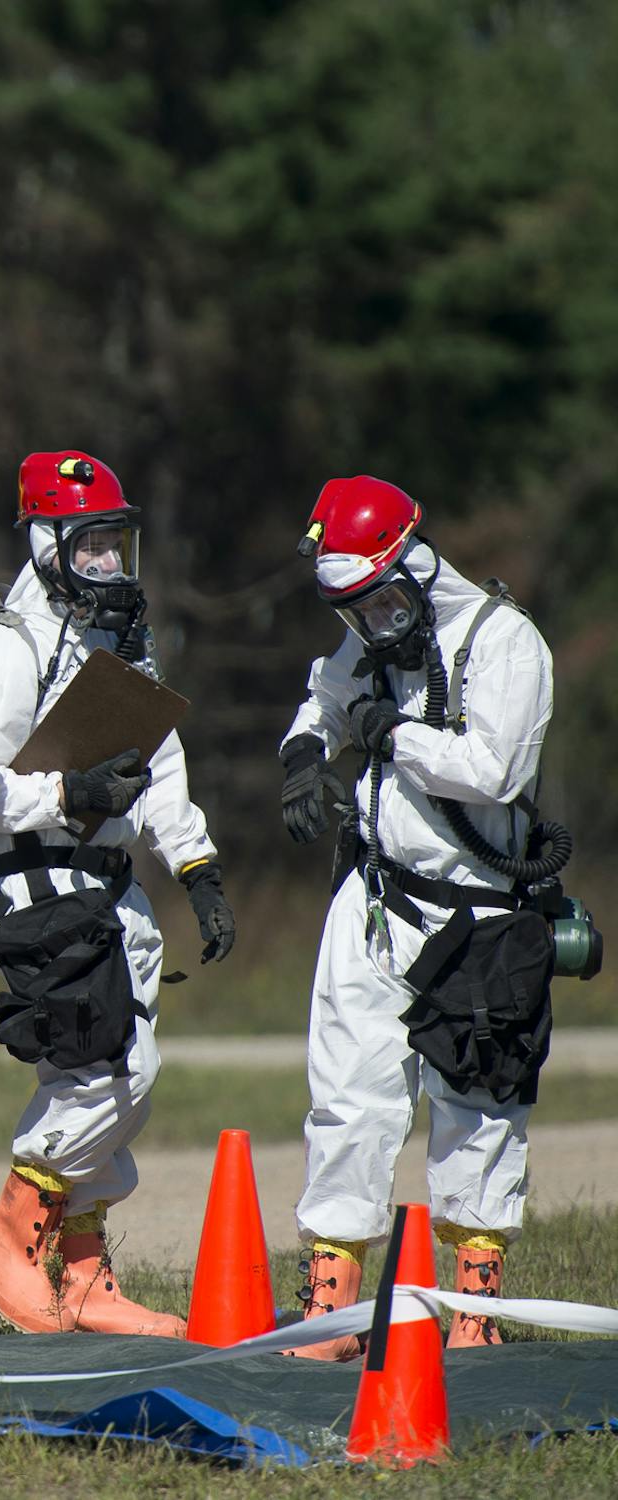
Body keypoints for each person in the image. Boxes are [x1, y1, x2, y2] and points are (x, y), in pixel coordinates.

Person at [0, 450, 231, 1339]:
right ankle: (8, 1231)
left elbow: (162, 763)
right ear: (44, 544)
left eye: (116, 543)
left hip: (106, 876)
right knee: (103, 1066)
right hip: (28, 867)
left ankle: (81, 1271)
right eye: (90, 544)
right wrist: (65, 797)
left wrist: (197, 866)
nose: (109, 563)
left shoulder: (117, 644)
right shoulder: (4, 645)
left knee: (126, 1070)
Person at [278, 475, 564, 1356]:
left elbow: (492, 771)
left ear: (413, 562)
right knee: (347, 1101)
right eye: (351, 608)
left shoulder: (502, 641)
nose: (367, 622)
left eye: (377, 600)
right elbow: (328, 697)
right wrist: (303, 750)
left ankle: (471, 1315)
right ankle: (332, 1309)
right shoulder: (371, 632)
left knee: (477, 1110)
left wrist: (386, 730)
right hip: (373, 901)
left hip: (477, 916)